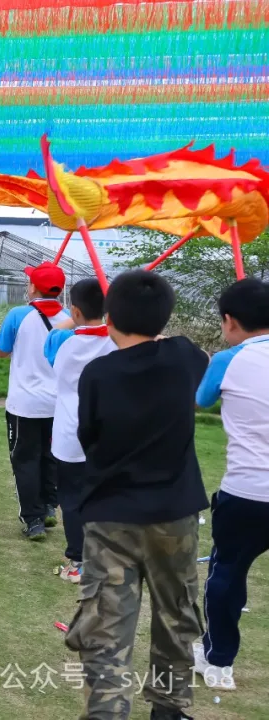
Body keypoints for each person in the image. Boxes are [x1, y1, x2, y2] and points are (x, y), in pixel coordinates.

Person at [65, 270, 209, 720]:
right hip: (174, 515)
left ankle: (107, 711)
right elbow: (188, 349)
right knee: (175, 616)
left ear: (108, 318)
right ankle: (170, 708)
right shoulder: (184, 357)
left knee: (106, 626)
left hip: (110, 517)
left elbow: (88, 435)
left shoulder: (97, 373)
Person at [192, 278, 269, 691]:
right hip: (251, 491)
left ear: (228, 320)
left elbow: (200, 399)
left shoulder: (228, 359)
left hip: (248, 493)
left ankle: (218, 660)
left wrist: (205, 364)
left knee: (227, 571)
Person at [41, 279, 115, 582]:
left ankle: (78, 559)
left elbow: (56, 336)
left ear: (75, 309)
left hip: (71, 434)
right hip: (108, 434)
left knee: (71, 498)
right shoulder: (117, 342)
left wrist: (78, 314)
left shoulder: (63, 341)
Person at [0, 261, 69, 540]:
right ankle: (50, 505)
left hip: (24, 404)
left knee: (25, 460)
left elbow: (1, 352)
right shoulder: (70, 319)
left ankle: (33, 519)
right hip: (58, 403)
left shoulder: (18, 315)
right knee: (51, 456)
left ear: (33, 287)